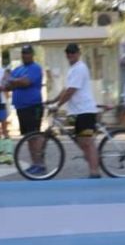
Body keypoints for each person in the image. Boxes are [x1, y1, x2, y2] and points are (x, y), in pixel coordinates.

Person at [46, 43, 101, 178]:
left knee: (87, 142)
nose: (70, 55)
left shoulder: (80, 68)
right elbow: (65, 89)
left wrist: (58, 106)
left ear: (78, 54)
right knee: (81, 142)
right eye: (68, 52)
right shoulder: (72, 69)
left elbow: (71, 91)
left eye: (73, 52)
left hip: (85, 111)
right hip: (75, 112)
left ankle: (95, 172)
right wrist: (53, 101)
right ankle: (93, 163)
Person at [5, 44, 44, 174]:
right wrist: (15, 81)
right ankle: (34, 163)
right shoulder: (18, 69)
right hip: (21, 107)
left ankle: (40, 163)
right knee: (28, 137)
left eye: (27, 53)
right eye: (23, 53)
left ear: (32, 54)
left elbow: (26, 82)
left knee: (34, 135)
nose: (25, 55)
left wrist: (12, 80)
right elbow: (7, 86)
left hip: (33, 105)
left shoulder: (35, 68)